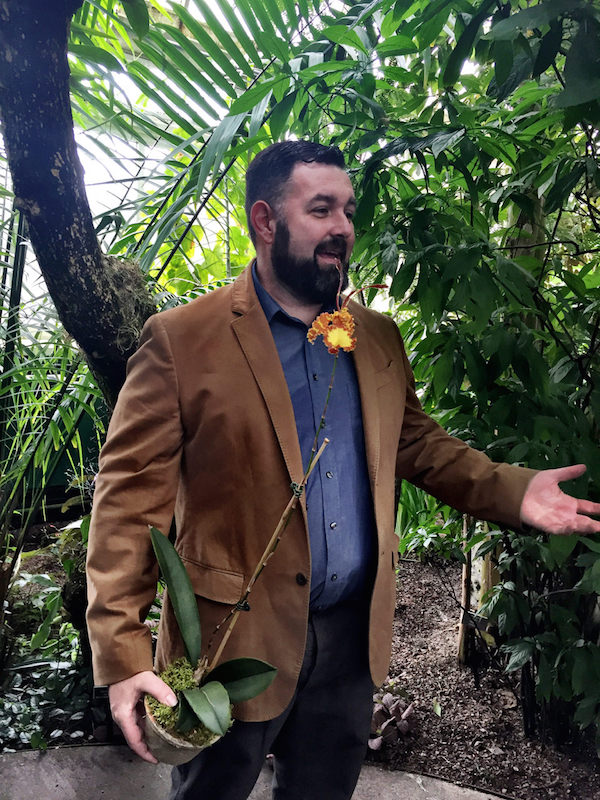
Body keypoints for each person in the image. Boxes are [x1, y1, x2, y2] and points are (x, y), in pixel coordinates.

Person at [86, 140, 600, 800]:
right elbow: (129, 505)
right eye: (322, 209)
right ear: (266, 222)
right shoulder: (183, 340)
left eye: (348, 211)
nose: (343, 228)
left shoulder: (376, 336)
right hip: (231, 644)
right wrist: (123, 652)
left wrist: (511, 488)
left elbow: (418, 445)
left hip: (350, 643)